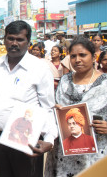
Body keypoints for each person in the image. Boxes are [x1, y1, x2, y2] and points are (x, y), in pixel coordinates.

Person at [0, 20, 57, 177]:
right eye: (10, 38)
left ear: (28, 42)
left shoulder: (39, 68)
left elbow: (48, 107)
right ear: (4, 39)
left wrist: (50, 139)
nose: (14, 43)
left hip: (25, 138)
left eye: (19, 39)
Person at [45, 36, 107, 177]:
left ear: (93, 58)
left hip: (95, 154)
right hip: (64, 153)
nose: (77, 60)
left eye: (83, 55)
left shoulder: (105, 84)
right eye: (73, 56)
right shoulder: (65, 81)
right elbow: (54, 112)